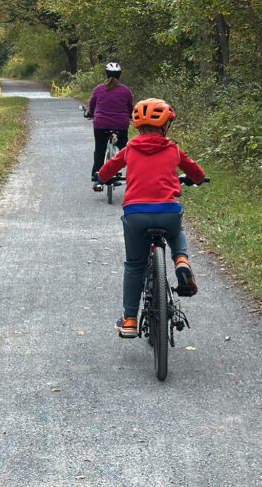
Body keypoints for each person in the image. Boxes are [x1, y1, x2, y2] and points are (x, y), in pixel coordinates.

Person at [97, 97, 206, 338]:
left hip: (136, 214)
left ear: (137, 126)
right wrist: (197, 179)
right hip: (167, 211)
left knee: (135, 265)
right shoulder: (173, 149)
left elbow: (107, 171)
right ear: (165, 126)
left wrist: (101, 178)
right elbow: (196, 173)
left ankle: (129, 319)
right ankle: (182, 261)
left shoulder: (130, 149)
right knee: (176, 228)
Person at [84, 61, 133, 191]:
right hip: (121, 125)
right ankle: (123, 173)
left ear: (106, 74)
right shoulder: (125, 90)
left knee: (99, 151)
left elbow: (92, 105)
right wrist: (131, 116)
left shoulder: (99, 89)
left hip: (101, 124)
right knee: (123, 150)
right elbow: (130, 108)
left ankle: (97, 178)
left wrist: (89, 113)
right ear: (119, 75)